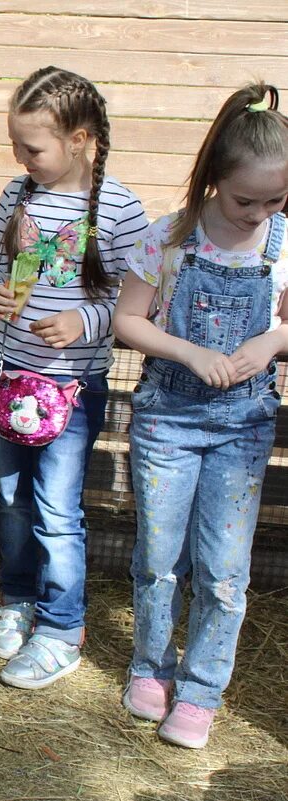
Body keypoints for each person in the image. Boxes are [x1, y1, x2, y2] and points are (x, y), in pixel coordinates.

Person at [114, 83, 288, 749]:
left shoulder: (279, 244)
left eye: (275, 200)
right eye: (246, 199)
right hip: (167, 421)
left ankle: (200, 690)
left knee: (223, 567)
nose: (259, 213)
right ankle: (149, 667)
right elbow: (129, 320)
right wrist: (187, 352)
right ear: (214, 178)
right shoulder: (170, 237)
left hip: (242, 427)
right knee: (159, 555)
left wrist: (269, 343)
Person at [0, 67, 147, 689]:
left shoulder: (121, 210)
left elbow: (138, 303)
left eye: (34, 148)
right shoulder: (16, 198)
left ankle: (61, 627)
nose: (22, 159)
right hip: (8, 375)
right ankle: (18, 595)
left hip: (70, 389)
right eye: (18, 146)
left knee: (56, 507)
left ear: (79, 140)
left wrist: (84, 320)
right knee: (13, 497)